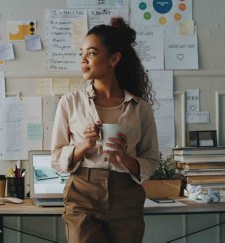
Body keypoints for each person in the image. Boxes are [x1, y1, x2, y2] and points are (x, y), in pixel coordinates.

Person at [51, 17, 159, 243]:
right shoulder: (70, 102)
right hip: (82, 193)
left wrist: (125, 158)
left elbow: (151, 160)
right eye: (82, 54)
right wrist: (85, 145)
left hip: (126, 195)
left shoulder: (140, 108)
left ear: (114, 59)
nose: (83, 60)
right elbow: (56, 158)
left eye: (91, 53)